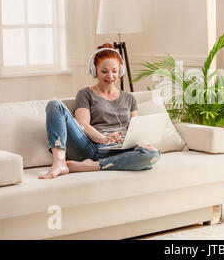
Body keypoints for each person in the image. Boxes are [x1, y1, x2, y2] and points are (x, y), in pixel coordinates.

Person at [39, 43, 160, 179]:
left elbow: (136, 129)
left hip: (120, 150)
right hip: (91, 147)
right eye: (104, 71)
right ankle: (59, 162)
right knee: (54, 105)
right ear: (94, 70)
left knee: (153, 154)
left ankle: (92, 166)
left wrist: (142, 143)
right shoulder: (85, 94)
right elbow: (82, 124)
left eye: (114, 71)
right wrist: (103, 139)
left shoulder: (129, 98)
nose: (110, 75)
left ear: (120, 71)